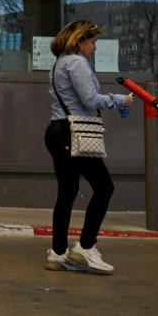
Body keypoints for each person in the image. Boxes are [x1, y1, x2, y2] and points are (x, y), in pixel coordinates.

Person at [43, 20, 134, 274]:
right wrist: (121, 100)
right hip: (75, 133)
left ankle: (58, 253)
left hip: (58, 131)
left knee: (68, 192)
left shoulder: (60, 61)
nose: (94, 48)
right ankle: (85, 247)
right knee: (104, 187)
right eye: (92, 42)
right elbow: (90, 99)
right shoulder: (76, 62)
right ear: (79, 40)